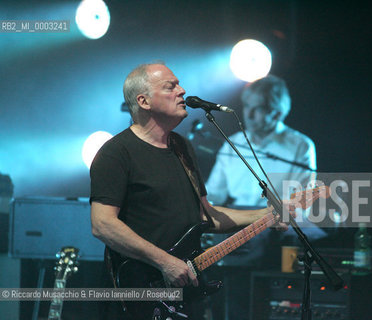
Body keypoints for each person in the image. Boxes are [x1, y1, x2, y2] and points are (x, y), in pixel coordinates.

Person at [89, 62, 289, 320]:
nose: (182, 91)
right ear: (144, 101)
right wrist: (165, 262)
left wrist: (267, 215)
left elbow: (205, 216)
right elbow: (102, 224)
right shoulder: (116, 152)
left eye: (179, 84)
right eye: (170, 86)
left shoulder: (182, 148)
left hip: (181, 292)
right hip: (137, 293)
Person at [206, 75, 317, 208]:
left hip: (278, 222)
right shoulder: (233, 143)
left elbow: (302, 204)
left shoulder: (301, 146)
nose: (249, 115)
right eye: (247, 106)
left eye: (258, 108)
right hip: (238, 220)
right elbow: (213, 195)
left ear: (277, 114)